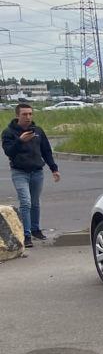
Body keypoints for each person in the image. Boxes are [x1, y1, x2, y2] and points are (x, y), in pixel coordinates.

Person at [3, 103, 60, 249]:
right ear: (17, 115)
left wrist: (54, 169)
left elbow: (46, 151)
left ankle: (35, 230)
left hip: (37, 172)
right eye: (24, 114)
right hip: (19, 172)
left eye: (30, 114)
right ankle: (26, 235)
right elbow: (9, 151)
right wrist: (20, 141)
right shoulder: (9, 132)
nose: (28, 117)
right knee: (25, 202)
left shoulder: (38, 131)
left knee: (35, 203)